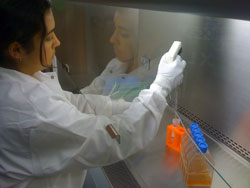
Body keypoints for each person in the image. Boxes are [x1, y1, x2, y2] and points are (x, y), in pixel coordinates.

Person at [0, 1, 186, 188]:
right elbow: (113, 138)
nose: (57, 42)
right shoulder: (31, 111)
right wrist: (161, 87)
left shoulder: (19, 80)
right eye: (48, 38)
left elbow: (75, 103)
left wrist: (130, 107)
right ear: (16, 50)